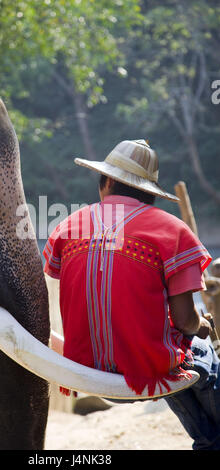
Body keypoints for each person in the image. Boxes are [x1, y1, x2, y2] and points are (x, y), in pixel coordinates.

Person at [43, 139, 220, 450]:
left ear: (108, 180)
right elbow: (184, 322)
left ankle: (209, 440)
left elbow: (60, 275)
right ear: (149, 190)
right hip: (146, 372)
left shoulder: (68, 226)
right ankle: (209, 440)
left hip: (84, 370)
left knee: (177, 360)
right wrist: (204, 325)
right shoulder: (173, 232)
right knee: (202, 353)